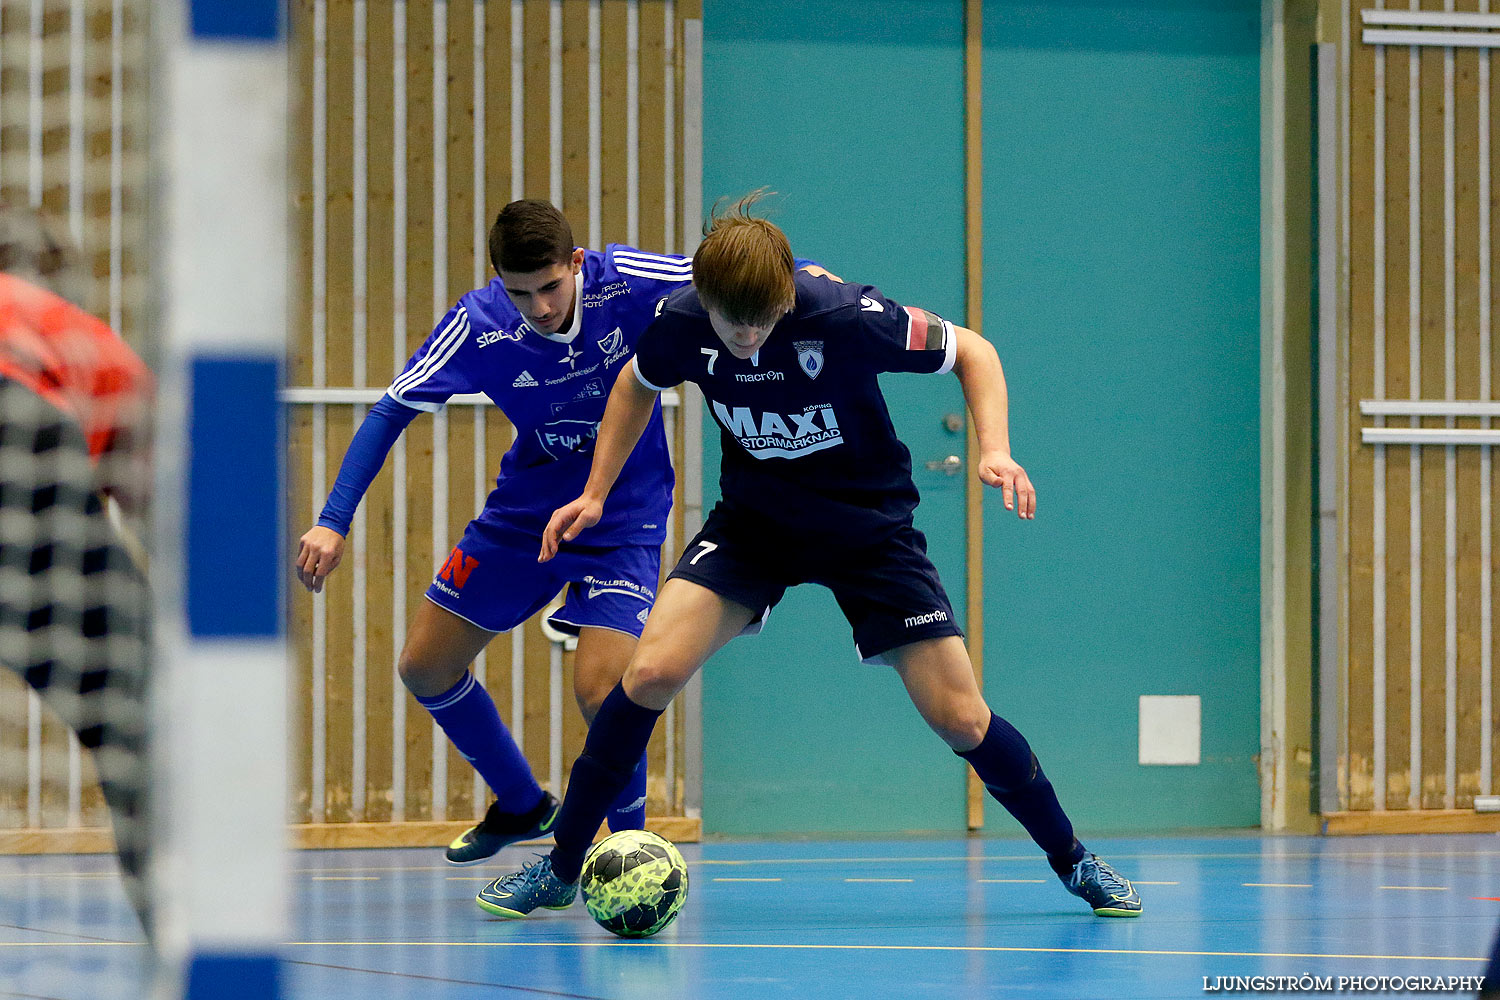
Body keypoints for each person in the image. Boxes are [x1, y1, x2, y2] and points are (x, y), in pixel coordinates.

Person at [476, 191, 1142, 921]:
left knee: (960, 717)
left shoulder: (848, 315)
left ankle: (1074, 859)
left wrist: (996, 449)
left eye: (764, 322)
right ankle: (562, 865)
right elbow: (637, 386)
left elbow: (973, 351)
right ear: (708, 300)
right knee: (650, 671)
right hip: (756, 525)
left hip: (868, 530)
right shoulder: (682, 323)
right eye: (736, 325)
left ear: (786, 295)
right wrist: (597, 491)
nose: (750, 338)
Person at [294, 200, 826, 864]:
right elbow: (390, 411)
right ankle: (521, 804)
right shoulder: (478, 325)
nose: (540, 307)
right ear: (498, 282)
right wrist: (331, 521)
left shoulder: (625, 279)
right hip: (525, 515)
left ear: (575, 263)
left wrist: (809, 279)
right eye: (521, 293)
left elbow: (739, 273)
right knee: (424, 666)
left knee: (603, 689)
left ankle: (630, 846)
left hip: (623, 514)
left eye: (550, 286)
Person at [0, 206, 154, 934]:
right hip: (28, 454)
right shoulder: (83, 337)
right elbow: (158, 502)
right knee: (147, 730)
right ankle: (180, 936)